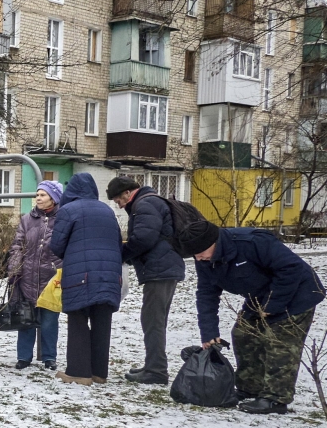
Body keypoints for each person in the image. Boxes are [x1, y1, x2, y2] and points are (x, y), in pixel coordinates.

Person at [183, 221, 325, 414]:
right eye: (194, 255)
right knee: (243, 334)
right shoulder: (204, 259)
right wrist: (209, 333)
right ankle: (249, 387)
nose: (198, 258)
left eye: (200, 252)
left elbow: (291, 269)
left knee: (280, 344)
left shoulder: (252, 242)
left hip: (297, 294)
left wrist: (272, 305)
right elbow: (206, 294)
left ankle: (275, 398)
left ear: (214, 242)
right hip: (258, 297)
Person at [107, 176, 186, 385]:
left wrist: (122, 254)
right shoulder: (150, 201)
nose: (119, 204)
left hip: (160, 271)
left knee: (153, 321)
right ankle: (153, 364)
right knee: (154, 320)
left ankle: (156, 370)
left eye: (118, 200)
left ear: (127, 193)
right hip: (165, 268)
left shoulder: (145, 205)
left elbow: (143, 238)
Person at [49, 173, 123, 386]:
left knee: (78, 319)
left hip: (80, 273)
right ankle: (99, 373)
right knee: (102, 321)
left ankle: (79, 372)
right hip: (109, 275)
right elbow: (117, 242)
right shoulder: (107, 210)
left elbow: (56, 245)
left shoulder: (68, 210)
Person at [7, 181, 64, 371]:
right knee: (26, 319)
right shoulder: (27, 220)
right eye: (37, 194)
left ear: (54, 199)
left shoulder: (63, 220)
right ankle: (23, 357)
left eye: (43, 195)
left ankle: (49, 357)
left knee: (49, 321)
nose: (38, 198)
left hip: (51, 279)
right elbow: (17, 246)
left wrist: (60, 269)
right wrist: (15, 270)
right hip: (28, 276)